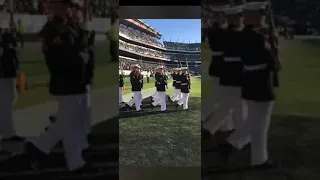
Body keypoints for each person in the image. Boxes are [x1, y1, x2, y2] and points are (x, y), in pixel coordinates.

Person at [0, 0, 93, 173]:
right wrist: (81, 56)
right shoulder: (54, 29)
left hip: (75, 80)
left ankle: (37, 147)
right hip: (66, 81)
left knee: (67, 121)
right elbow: (58, 59)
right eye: (68, 6)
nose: (71, 9)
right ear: (58, 7)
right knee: (70, 124)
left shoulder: (69, 26)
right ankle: (76, 163)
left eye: (73, 7)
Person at [217, 2, 277, 169]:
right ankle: (256, 157)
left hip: (250, 81)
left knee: (255, 120)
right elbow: (273, 64)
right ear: (255, 16)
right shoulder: (257, 37)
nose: (264, 17)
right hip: (260, 82)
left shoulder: (245, 34)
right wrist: (271, 49)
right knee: (260, 123)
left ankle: (235, 145)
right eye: (262, 14)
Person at [203, 6, 246, 136]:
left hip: (223, 69)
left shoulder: (221, 31)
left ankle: (227, 127)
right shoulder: (220, 31)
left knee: (227, 102)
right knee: (225, 101)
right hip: (226, 70)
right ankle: (209, 125)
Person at [0, 25, 23, 143]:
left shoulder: (7, 37)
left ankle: (7, 131)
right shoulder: (4, 40)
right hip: (4, 75)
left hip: (8, 74)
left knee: (9, 101)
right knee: (6, 103)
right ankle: (8, 132)